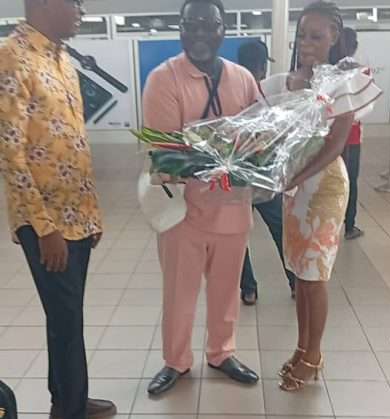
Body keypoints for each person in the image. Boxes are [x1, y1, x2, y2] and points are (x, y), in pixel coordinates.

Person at [0, 0, 116, 419]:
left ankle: (61, 399)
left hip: (77, 217)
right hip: (47, 225)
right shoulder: (11, 57)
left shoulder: (62, 58)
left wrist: (90, 212)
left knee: (64, 317)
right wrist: (45, 228)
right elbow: (9, 153)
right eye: (76, 2)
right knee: (69, 324)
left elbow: (71, 141)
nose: (82, 10)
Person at [143, 0, 260, 396]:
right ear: (179, 28)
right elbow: (167, 154)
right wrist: (230, 152)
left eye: (209, 25)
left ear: (223, 29)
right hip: (183, 212)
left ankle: (222, 353)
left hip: (234, 210)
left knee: (227, 292)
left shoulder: (242, 78)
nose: (199, 33)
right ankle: (176, 361)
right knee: (179, 294)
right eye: (190, 25)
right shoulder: (164, 79)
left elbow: (259, 138)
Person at [269, 1, 353, 391]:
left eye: (316, 37)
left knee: (315, 277)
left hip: (324, 188)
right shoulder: (289, 81)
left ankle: (314, 356)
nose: (306, 43)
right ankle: (301, 348)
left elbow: (335, 145)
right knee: (300, 275)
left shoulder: (341, 84)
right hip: (295, 187)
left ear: (334, 38)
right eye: (302, 35)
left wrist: (295, 178)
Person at [237, 40, 296, 305]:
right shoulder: (267, 94)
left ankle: (248, 289)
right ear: (262, 67)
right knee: (281, 231)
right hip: (263, 177)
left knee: (238, 234)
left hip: (236, 177)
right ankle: (295, 283)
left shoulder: (230, 92)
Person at [342, 27, 364, 240]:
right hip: (352, 136)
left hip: (329, 137)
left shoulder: (326, 72)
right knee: (350, 181)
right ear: (355, 47)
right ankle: (349, 226)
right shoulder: (361, 73)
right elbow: (365, 106)